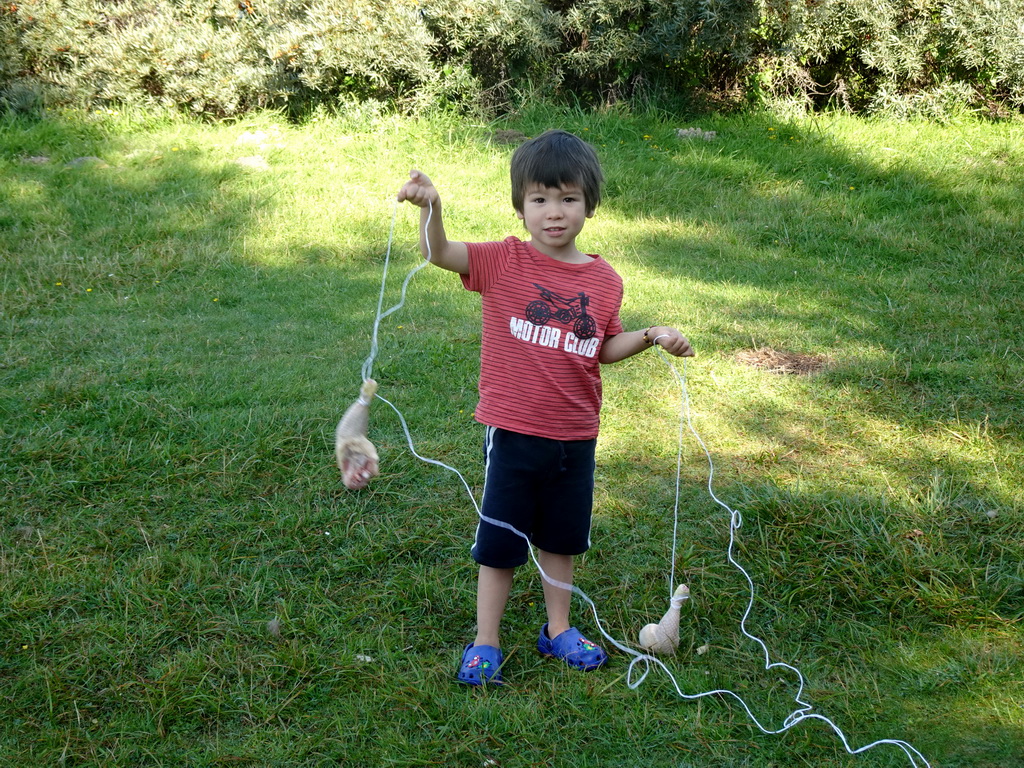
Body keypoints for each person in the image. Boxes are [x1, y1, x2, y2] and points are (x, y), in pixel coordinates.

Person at [397, 129, 694, 686]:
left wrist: (651, 335)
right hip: (513, 433)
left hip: (576, 435)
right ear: (521, 205)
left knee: (562, 539)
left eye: (567, 199)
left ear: (588, 203)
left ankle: (558, 629)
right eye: (539, 199)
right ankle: (486, 639)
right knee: (501, 543)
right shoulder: (502, 261)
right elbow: (438, 253)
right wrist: (432, 205)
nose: (553, 213)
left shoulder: (605, 280)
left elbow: (602, 348)